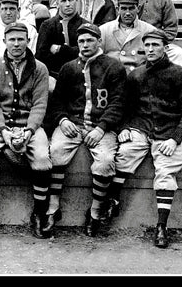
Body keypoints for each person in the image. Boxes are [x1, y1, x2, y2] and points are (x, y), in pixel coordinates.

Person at [102, 30, 182, 248]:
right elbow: (125, 106)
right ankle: (113, 200)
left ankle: (161, 226)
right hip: (142, 127)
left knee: (165, 171)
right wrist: (124, 127)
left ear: (166, 48)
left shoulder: (179, 74)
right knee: (125, 153)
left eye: (156, 45)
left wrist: (175, 138)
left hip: (169, 131)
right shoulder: (136, 74)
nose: (151, 49)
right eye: (147, 45)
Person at [43, 23, 127, 237]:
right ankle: (53, 209)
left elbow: (118, 103)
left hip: (101, 127)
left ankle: (96, 212)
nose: (85, 44)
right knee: (54, 153)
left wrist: (102, 128)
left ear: (99, 41)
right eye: (81, 41)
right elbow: (57, 102)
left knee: (106, 161)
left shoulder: (113, 66)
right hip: (73, 124)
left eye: (90, 40)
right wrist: (62, 120)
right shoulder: (69, 67)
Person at [0, 22, 51, 238]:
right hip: (1, 125)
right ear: (4, 42)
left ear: (28, 41)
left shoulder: (40, 68)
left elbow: (39, 105)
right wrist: (4, 132)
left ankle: (38, 214)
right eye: (12, 39)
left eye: (21, 39)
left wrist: (28, 131)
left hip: (29, 124)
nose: (17, 44)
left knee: (43, 159)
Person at [36, 0, 90, 87]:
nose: (68, 4)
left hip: (80, 75)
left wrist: (61, 49)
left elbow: (86, 51)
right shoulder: (47, 25)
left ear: (77, 1)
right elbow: (41, 55)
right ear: (57, 3)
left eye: (70, 0)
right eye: (63, 1)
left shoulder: (85, 25)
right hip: (53, 75)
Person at [98, 0, 158, 74]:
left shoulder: (150, 31)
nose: (127, 13)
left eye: (131, 8)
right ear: (117, 9)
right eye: (123, 8)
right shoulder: (104, 30)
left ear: (138, 8)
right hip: (112, 78)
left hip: (139, 79)